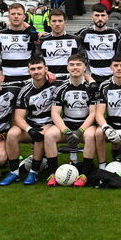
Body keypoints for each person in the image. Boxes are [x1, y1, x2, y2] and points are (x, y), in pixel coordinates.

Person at [1, 57, 58, 186]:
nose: (36, 71)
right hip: (31, 124)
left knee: (41, 134)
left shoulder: (56, 83)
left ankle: (34, 172)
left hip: (51, 125)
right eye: (33, 69)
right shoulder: (24, 91)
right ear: (28, 71)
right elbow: (18, 118)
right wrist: (29, 129)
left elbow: (82, 75)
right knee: (12, 134)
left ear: (46, 69)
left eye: (39, 68)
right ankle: (14, 172)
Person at [44, 54, 97, 187]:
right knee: (49, 135)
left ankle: (84, 174)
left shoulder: (91, 88)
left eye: (78, 64)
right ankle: (52, 173)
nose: (75, 68)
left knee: (91, 135)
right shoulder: (61, 88)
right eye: (72, 65)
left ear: (85, 67)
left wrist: (80, 131)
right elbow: (55, 113)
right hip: (67, 123)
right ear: (67, 67)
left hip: (85, 125)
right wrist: (66, 131)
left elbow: (93, 113)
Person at [78, 4, 121, 85]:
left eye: (103, 15)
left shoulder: (115, 33)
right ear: (92, 17)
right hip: (93, 76)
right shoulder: (85, 33)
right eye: (97, 15)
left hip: (113, 76)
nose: (100, 18)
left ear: (107, 17)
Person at [0, 3, 38, 83]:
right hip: (6, 79)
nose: (16, 16)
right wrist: (5, 24)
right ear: (8, 16)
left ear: (24, 17)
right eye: (13, 14)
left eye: (19, 14)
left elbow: (35, 34)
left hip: (27, 79)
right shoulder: (0, 34)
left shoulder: (30, 33)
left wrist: (28, 26)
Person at [38, 9, 84, 81]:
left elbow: (82, 60)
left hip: (69, 81)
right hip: (49, 80)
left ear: (65, 23)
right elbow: (38, 62)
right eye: (54, 21)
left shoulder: (76, 40)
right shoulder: (42, 40)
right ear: (49, 23)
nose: (57, 24)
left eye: (60, 21)